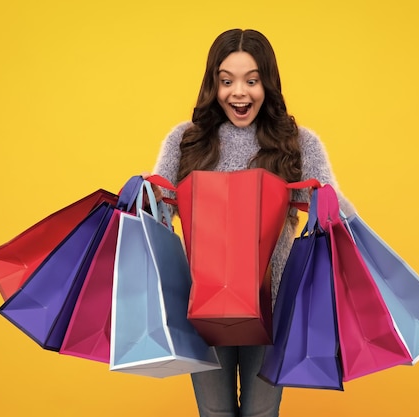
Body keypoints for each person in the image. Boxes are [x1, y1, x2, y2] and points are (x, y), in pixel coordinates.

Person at [150, 28, 356, 417]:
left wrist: (324, 199)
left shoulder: (297, 142)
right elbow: (160, 216)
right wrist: (148, 194)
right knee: (214, 413)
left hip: (274, 306)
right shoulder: (187, 139)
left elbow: (340, 217)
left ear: (268, 84)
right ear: (214, 84)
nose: (238, 93)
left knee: (262, 414)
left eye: (251, 80)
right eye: (226, 81)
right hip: (204, 305)